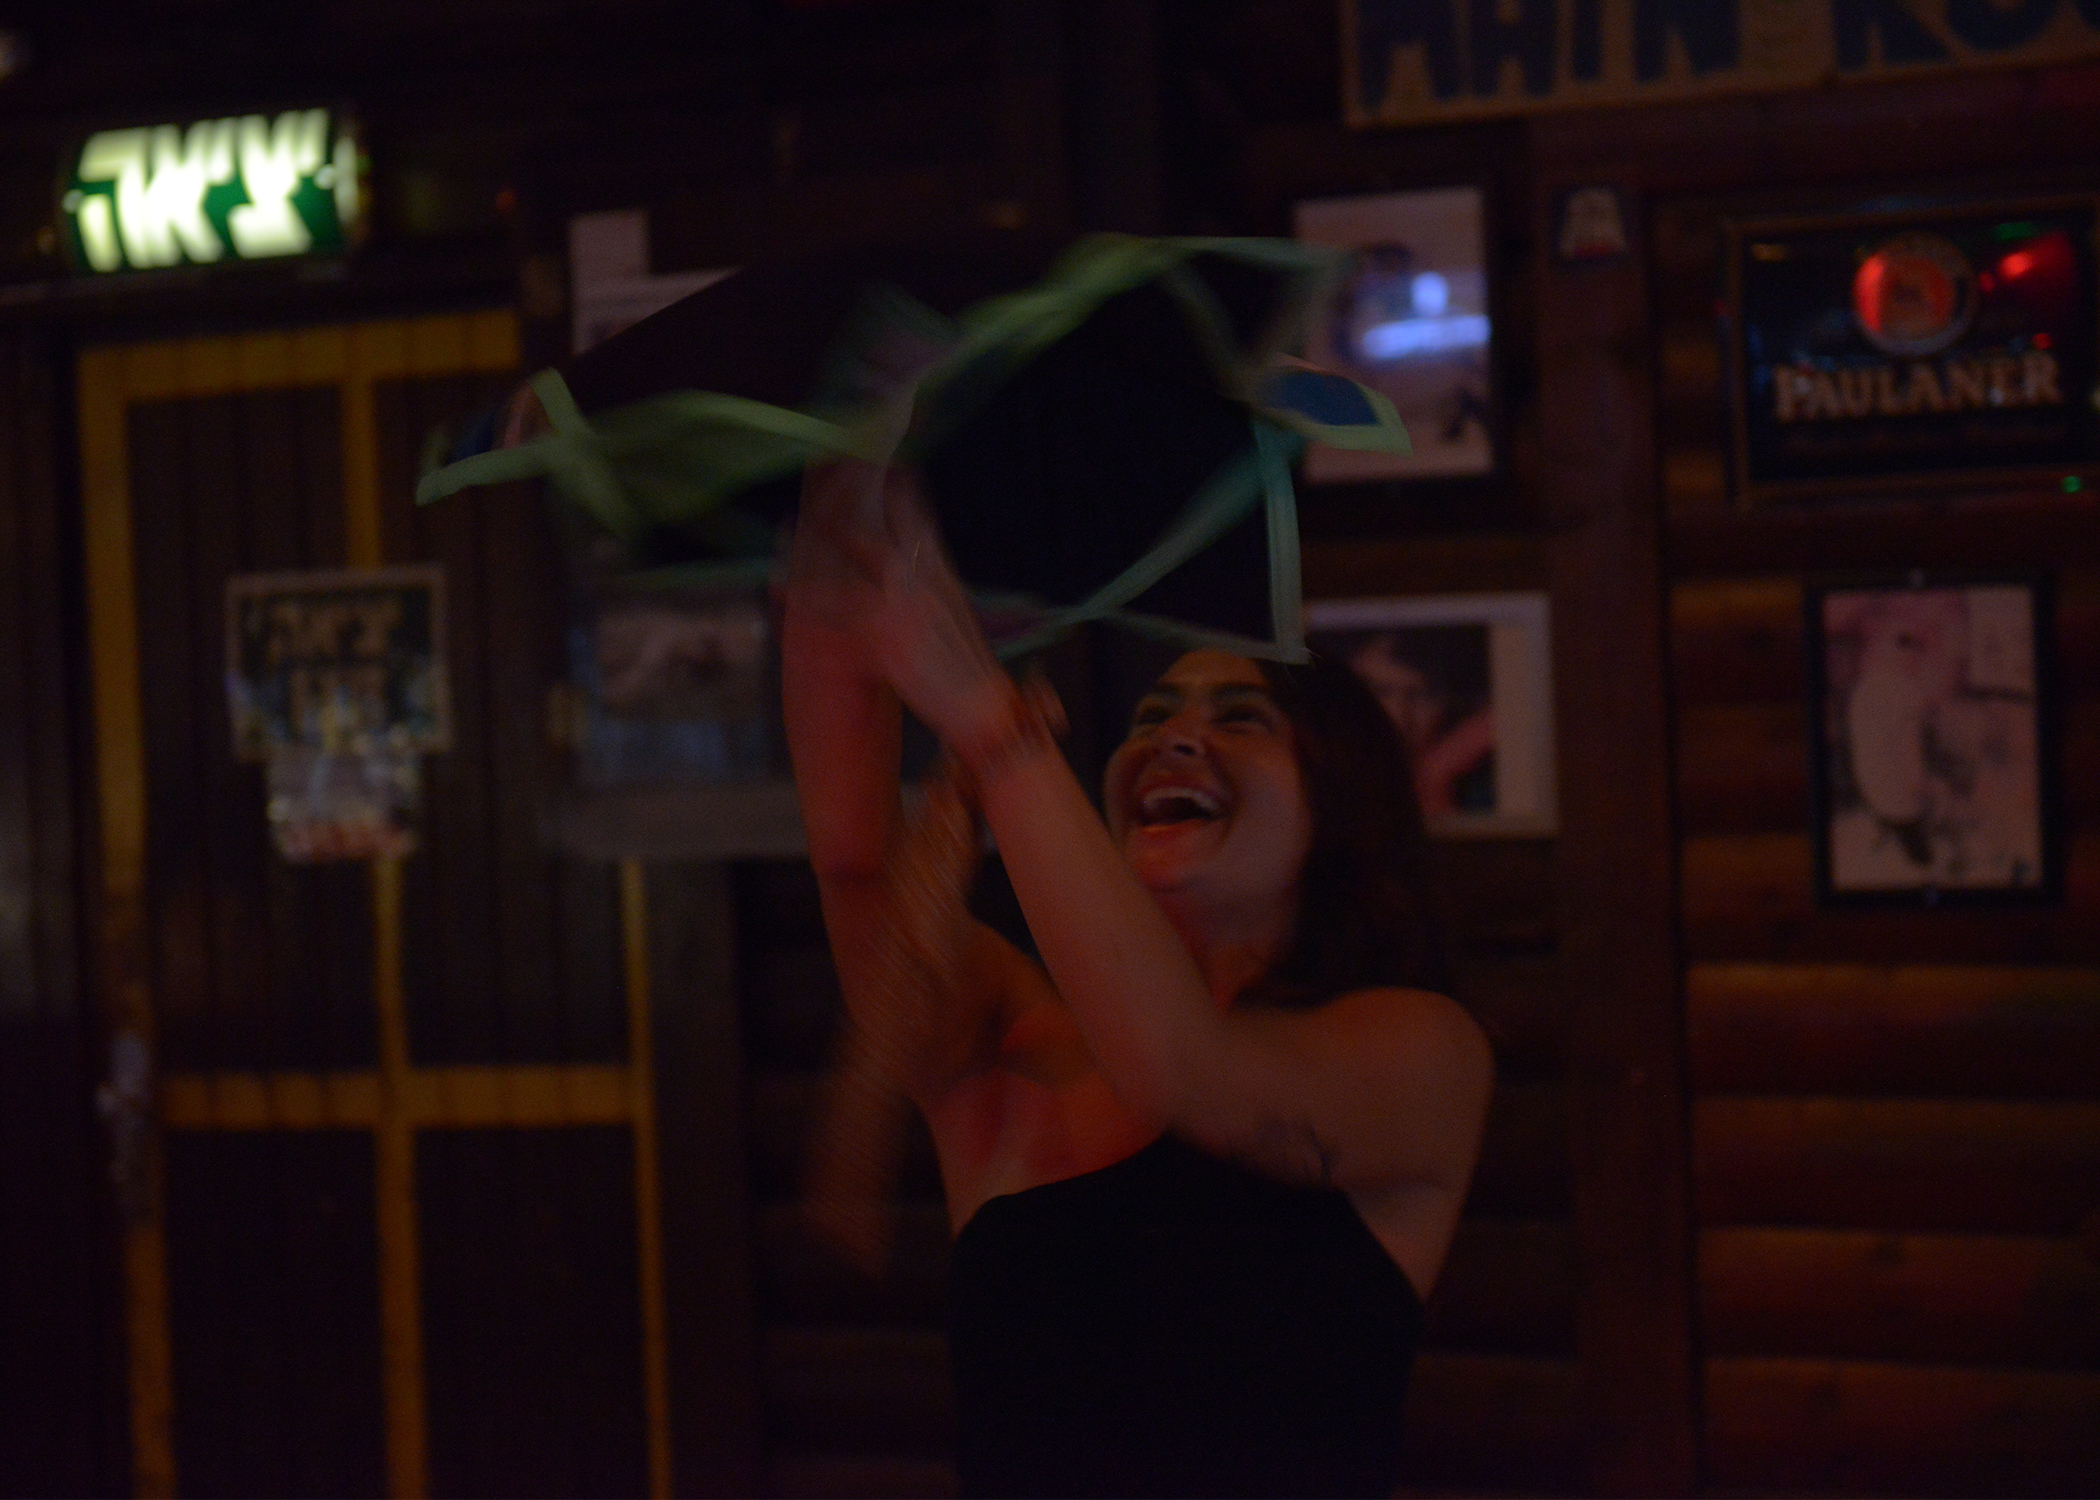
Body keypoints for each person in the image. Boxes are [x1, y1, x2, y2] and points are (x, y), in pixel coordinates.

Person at [781, 455, 1493, 1499]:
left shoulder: (1424, 1051)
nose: (1175, 738)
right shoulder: (1013, 1035)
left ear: (1340, 804)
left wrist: (992, 729)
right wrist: (838, 595)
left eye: (1241, 717)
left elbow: (1184, 1073)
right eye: (1154, 717)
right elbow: (855, 864)